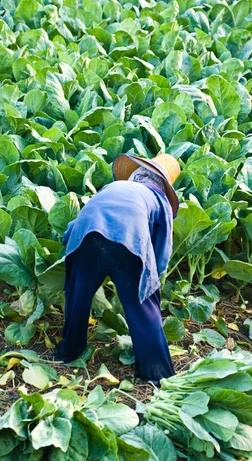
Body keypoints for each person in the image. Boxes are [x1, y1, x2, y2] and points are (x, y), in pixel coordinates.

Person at [55, 153, 180, 384]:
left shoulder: (114, 187)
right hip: (127, 239)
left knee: (78, 295)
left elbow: (81, 220)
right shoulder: (158, 198)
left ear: (136, 174)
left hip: (86, 236)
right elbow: (162, 248)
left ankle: (69, 351)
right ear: (162, 183)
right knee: (142, 305)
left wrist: (67, 240)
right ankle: (156, 373)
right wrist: (154, 278)